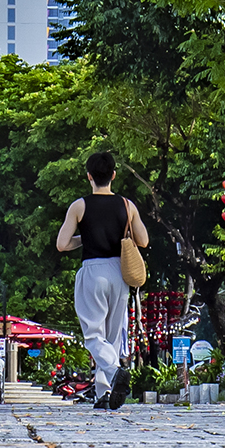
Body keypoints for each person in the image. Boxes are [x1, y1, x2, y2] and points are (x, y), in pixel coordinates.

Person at [55, 149, 141, 410]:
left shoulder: (79, 206)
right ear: (113, 175)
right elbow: (144, 240)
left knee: (93, 335)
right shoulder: (128, 205)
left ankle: (115, 374)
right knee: (112, 337)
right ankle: (104, 393)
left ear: (89, 177)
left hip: (93, 270)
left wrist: (86, 238)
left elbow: (62, 244)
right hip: (120, 272)